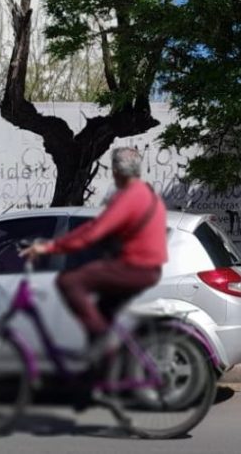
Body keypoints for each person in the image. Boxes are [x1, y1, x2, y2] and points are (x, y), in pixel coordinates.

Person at [20, 147, 167, 358]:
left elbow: (94, 232)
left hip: (134, 268)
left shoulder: (130, 197)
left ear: (116, 171)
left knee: (70, 281)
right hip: (147, 269)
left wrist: (50, 247)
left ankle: (103, 344)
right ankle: (107, 370)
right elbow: (94, 227)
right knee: (102, 311)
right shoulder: (149, 195)